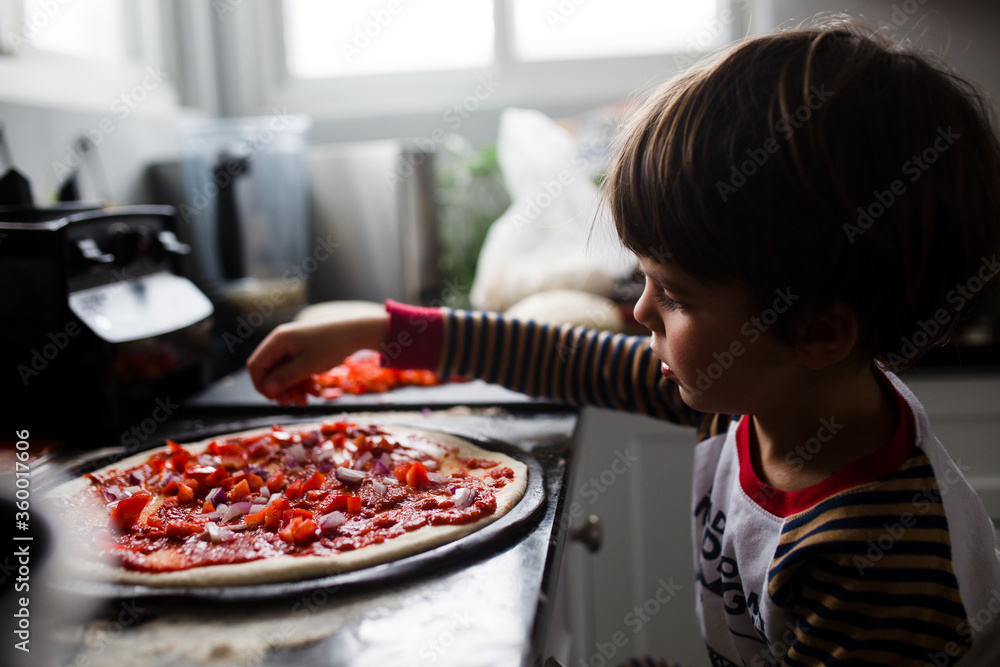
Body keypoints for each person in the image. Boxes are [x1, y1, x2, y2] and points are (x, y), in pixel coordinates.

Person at [247, 18, 1000, 666]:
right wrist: (377, 332)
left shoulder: (876, 561)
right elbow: (558, 355)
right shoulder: (762, 397)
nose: (639, 312)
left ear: (818, 331)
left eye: (673, 294)